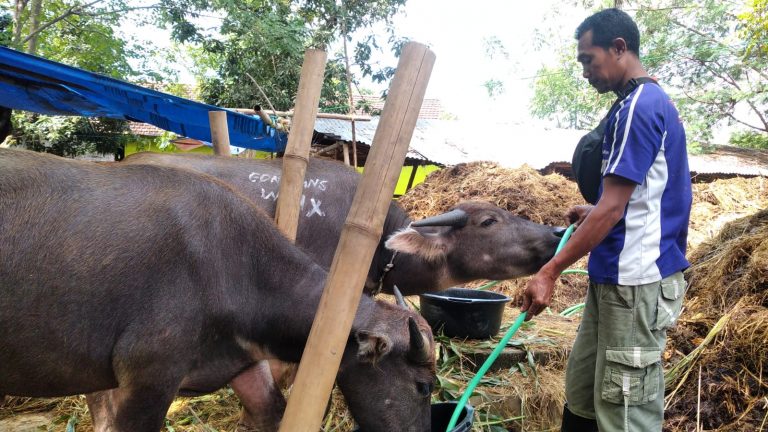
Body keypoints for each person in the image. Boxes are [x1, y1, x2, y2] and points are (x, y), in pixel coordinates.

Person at [520, 8, 692, 432]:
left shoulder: (641, 105)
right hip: (613, 277)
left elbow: (614, 208)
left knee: (625, 414)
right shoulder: (631, 106)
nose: (584, 72)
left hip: (636, 284)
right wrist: (592, 211)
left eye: (587, 60)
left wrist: (550, 270)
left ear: (619, 48)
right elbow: (630, 199)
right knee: (583, 397)